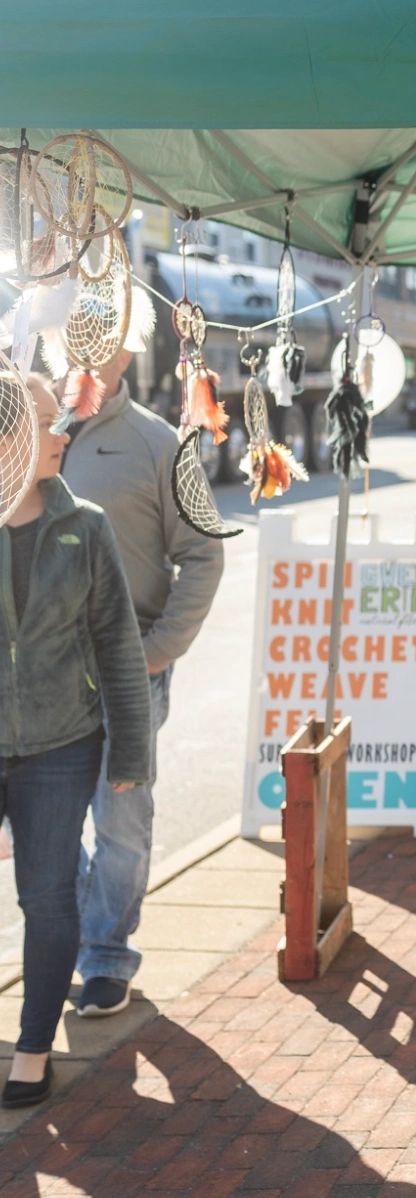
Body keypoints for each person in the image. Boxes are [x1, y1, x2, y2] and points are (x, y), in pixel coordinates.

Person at [60, 338, 224, 1019]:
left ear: (127, 355)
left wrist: (154, 653)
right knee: (47, 821)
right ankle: (66, 939)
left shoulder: (162, 445)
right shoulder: (24, 428)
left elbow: (205, 556)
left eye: (101, 340)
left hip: (127, 673)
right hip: (40, 675)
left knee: (121, 820)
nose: (83, 352)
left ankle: (104, 955)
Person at [0, 375, 152, 1108]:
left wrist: (130, 755)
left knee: (49, 897)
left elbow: (118, 647)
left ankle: (32, 1048)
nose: (63, 433)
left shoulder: (84, 525)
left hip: (62, 747)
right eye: (44, 422)